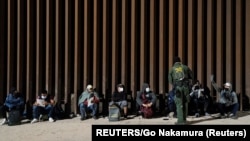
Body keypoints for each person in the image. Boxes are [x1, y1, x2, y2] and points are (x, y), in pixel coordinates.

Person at [168, 56, 193, 124]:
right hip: (186, 87)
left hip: (178, 88)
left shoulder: (172, 69)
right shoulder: (185, 67)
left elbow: (170, 80)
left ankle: (180, 121)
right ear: (180, 61)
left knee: (179, 103)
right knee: (185, 103)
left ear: (174, 62)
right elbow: (192, 75)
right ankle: (184, 119)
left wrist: (175, 84)